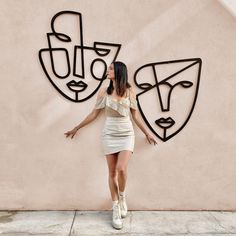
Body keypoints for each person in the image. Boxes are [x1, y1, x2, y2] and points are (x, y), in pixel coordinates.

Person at [64, 61, 157, 230]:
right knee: (112, 172)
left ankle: (122, 197)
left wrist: (146, 133)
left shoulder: (130, 92)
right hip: (109, 133)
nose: (107, 71)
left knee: (122, 169)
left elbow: (136, 116)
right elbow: (93, 114)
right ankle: (115, 208)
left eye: (111, 68)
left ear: (119, 72)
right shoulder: (104, 93)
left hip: (127, 133)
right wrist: (77, 127)